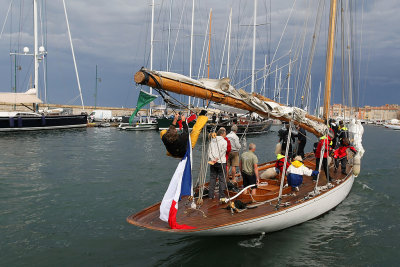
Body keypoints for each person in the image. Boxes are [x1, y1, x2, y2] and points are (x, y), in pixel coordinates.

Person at [208, 128, 228, 200]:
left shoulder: (212, 141)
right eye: (225, 133)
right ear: (222, 134)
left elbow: (209, 151)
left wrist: (213, 159)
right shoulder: (224, 141)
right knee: (222, 179)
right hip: (221, 162)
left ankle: (210, 195)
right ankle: (221, 196)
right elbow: (223, 151)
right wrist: (217, 158)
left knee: (212, 178)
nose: (226, 135)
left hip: (212, 162)